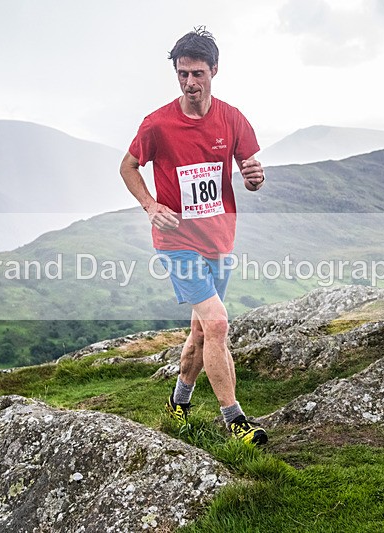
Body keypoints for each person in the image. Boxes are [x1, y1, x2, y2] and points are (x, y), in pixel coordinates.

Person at [119, 27, 267, 445]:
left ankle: (178, 402)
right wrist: (151, 205)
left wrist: (254, 179)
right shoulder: (158, 124)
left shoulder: (232, 118)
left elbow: (251, 171)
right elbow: (127, 167)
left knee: (202, 331)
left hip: (219, 240)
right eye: (182, 74)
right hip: (177, 242)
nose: (189, 83)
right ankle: (235, 422)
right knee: (218, 324)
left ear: (214, 71)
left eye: (197, 73)